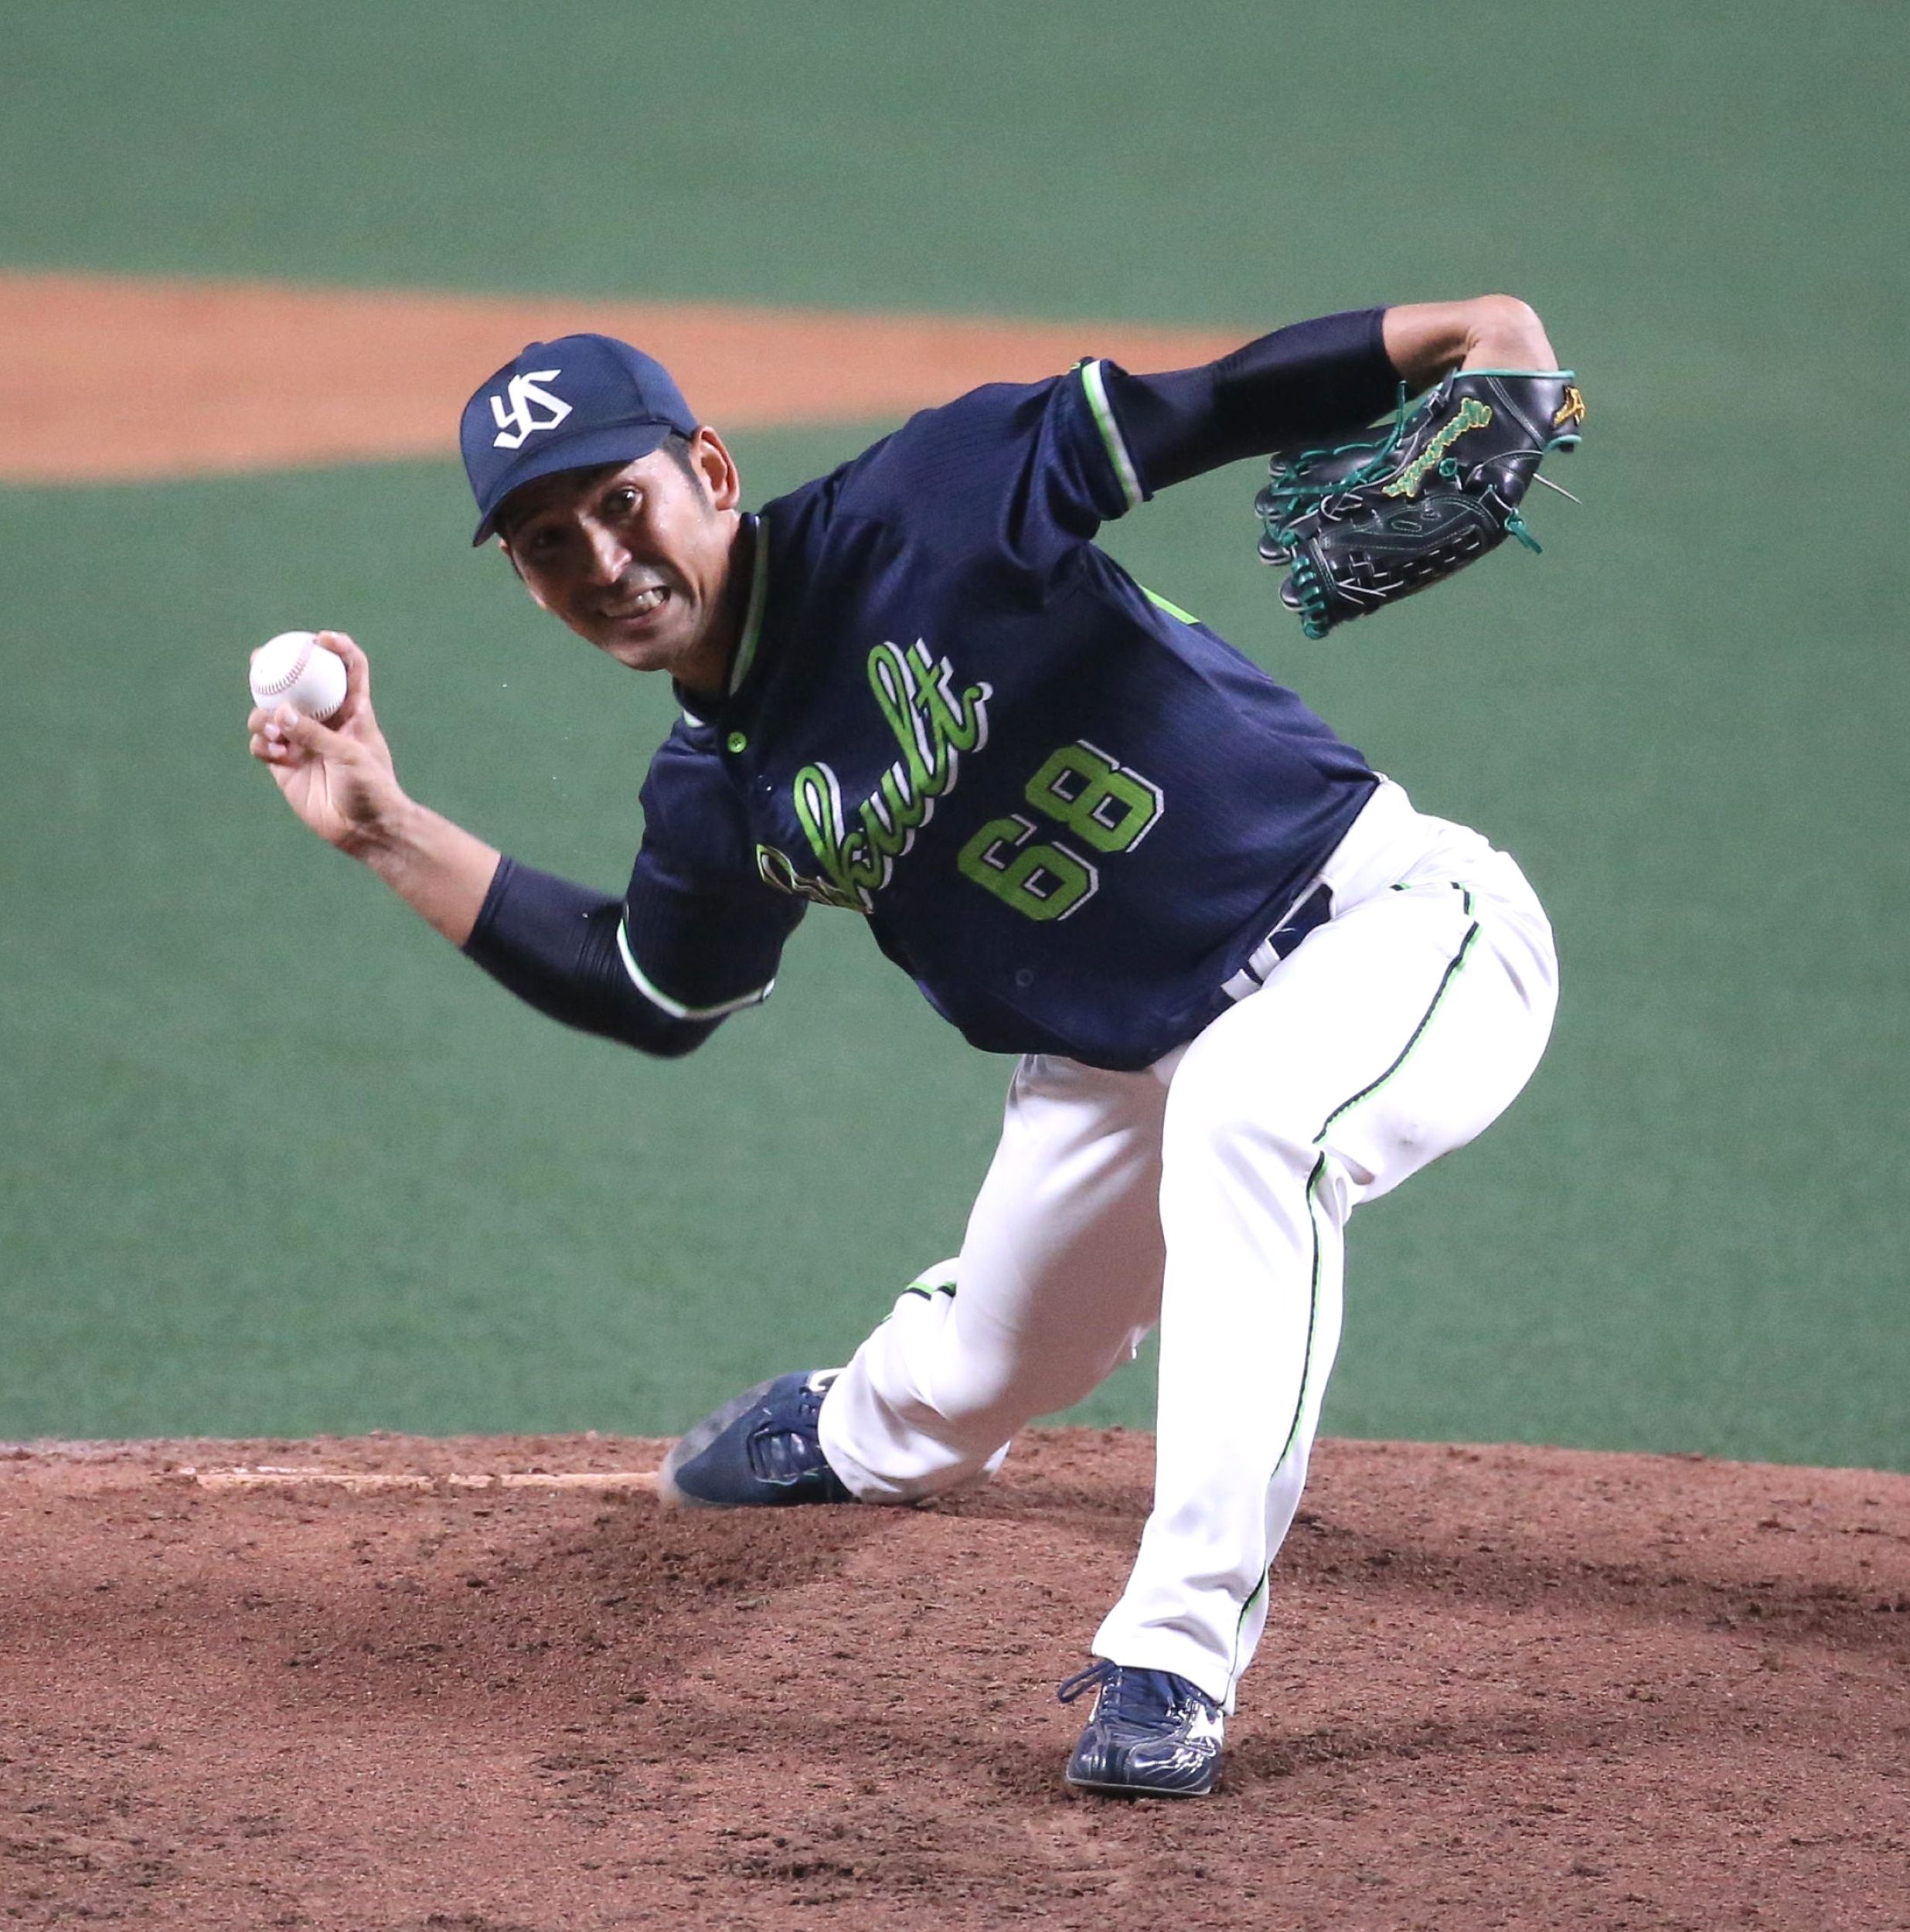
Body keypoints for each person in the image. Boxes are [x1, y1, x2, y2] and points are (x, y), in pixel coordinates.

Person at [247, 295, 1564, 1798]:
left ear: (710, 471)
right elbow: (651, 992)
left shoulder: (934, 497)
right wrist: (387, 831)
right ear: (526, 584)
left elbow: (1208, 404)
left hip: (1392, 928)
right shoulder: (713, 793)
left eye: (621, 503)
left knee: (1254, 1123)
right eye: (550, 543)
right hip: (1114, 1065)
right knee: (987, 1368)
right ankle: (856, 1423)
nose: (603, 561)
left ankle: (1178, 1648)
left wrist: (1464, 329)